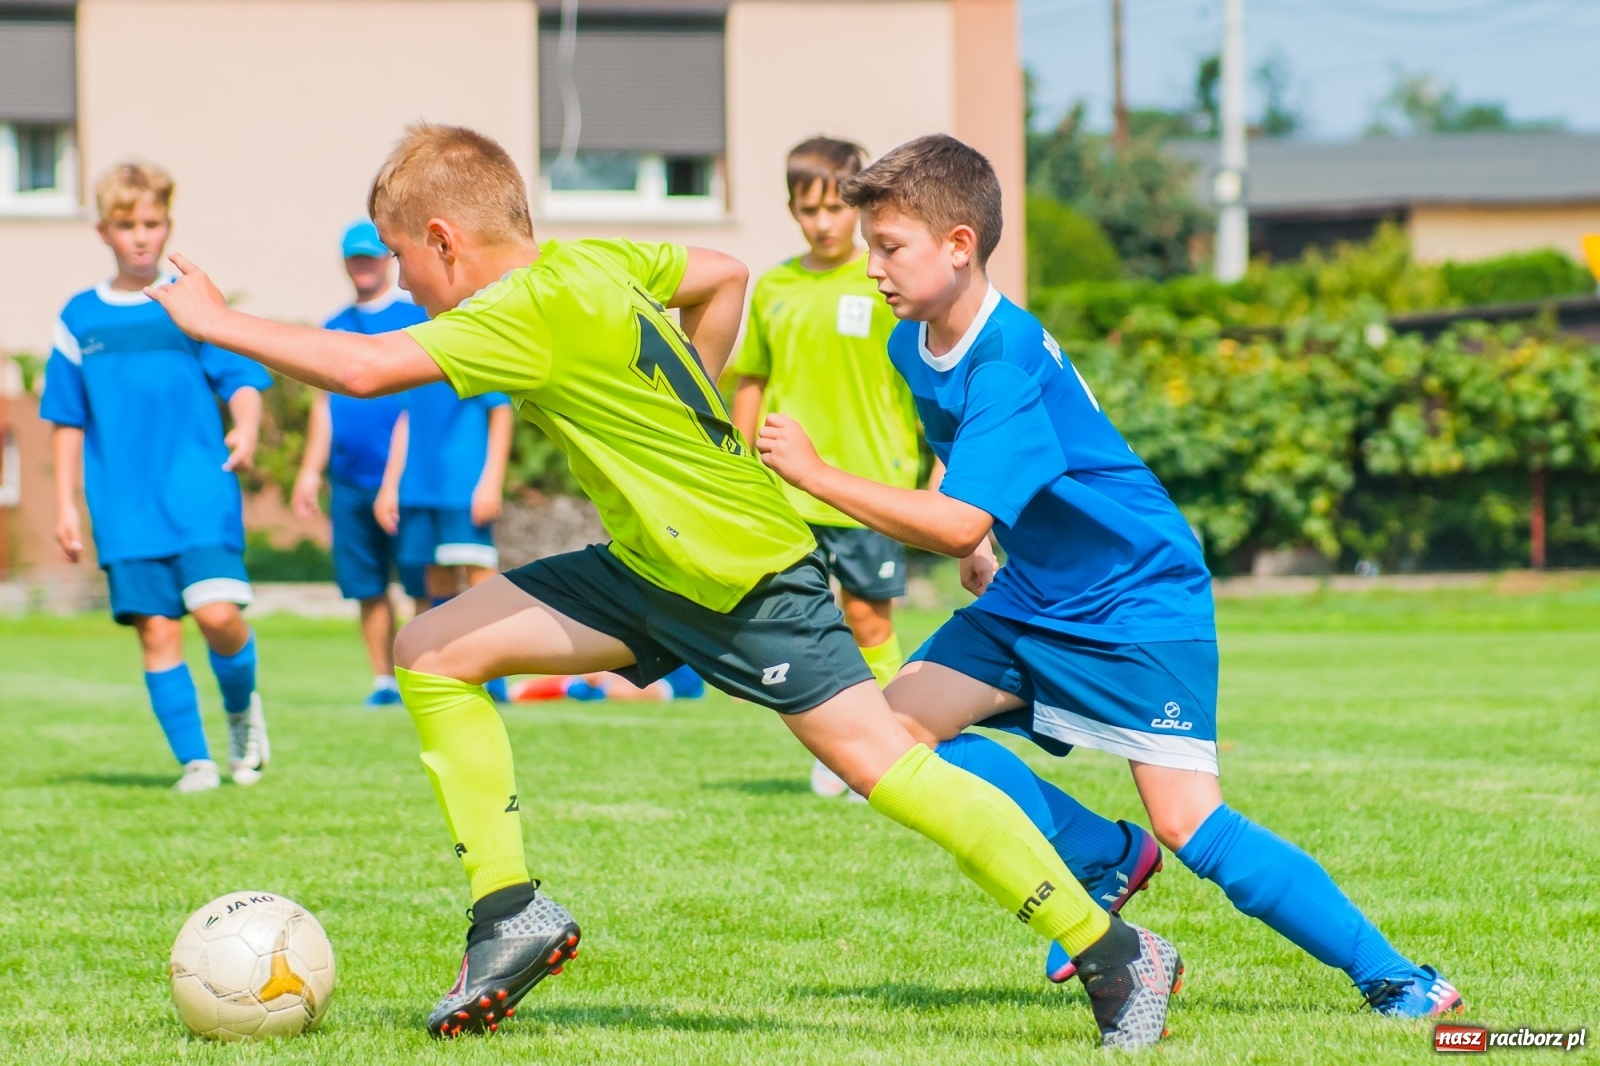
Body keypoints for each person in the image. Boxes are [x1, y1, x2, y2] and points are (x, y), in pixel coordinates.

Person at [147, 123, 1180, 1050]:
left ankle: (1112, 949)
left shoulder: (522, 307)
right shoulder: (593, 262)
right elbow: (722, 271)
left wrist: (212, 320)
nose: (407, 283)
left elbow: (358, 367)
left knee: (884, 766)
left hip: (740, 575)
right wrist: (688, 430)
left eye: (406, 260)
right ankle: (510, 912)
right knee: (432, 650)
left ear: (443, 237)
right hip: (647, 565)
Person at [755, 133, 1463, 1020]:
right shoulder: (915, 343)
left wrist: (821, 477)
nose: (872, 269)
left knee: (1190, 826)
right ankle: (1099, 854)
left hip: (1136, 597)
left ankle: (1398, 978)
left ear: (960, 245)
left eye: (889, 247)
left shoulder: (1005, 357)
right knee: (887, 740)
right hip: (1036, 591)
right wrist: (981, 543)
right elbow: (966, 476)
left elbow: (958, 516)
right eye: (871, 249)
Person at [42, 162, 271, 792]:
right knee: (158, 629)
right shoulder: (79, 318)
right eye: (126, 225)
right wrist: (65, 505)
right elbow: (65, 419)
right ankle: (195, 763)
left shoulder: (186, 302)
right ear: (103, 231)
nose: (141, 236)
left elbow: (243, 377)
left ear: (168, 224)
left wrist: (245, 426)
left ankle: (240, 712)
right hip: (124, 506)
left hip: (198, 492)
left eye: (152, 222)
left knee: (220, 615)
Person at [730, 137, 920, 799]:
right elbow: (750, 377)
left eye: (836, 208)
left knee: (869, 622)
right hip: (789, 490)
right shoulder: (775, 286)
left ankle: (895, 742)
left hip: (871, 484)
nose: (824, 223)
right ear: (792, 210)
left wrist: (935, 465)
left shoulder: (884, 279)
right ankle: (840, 746)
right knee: (804, 628)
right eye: (809, 209)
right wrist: (738, 461)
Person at [291, 220, 430, 708]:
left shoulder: (413, 318)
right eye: (355, 259)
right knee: (367, 586)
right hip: (350, 480)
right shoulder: (335, 326)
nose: (363, 267)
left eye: (371, 257)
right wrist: (310, 469)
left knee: (419, 581)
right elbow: (322, 406)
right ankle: (383, 680)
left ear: (387, 261)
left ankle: (424, 673)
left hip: (408, 481)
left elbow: (422, 405)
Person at [372, 316, 513, 702]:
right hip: (418, 488)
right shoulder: (414, 343)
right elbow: (406, 419)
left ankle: (497, 672)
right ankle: (441, 667)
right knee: (434, 582)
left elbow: (501, 410)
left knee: (480, 577)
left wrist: (491, 480)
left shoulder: (472, 340)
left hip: (462, 489)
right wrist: (390, 485)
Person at [510, 664, 705, 703]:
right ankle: (530, 690)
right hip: (647, 672)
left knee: (618, 691)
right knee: (612, 687)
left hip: (680, 682)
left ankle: (564, 686)